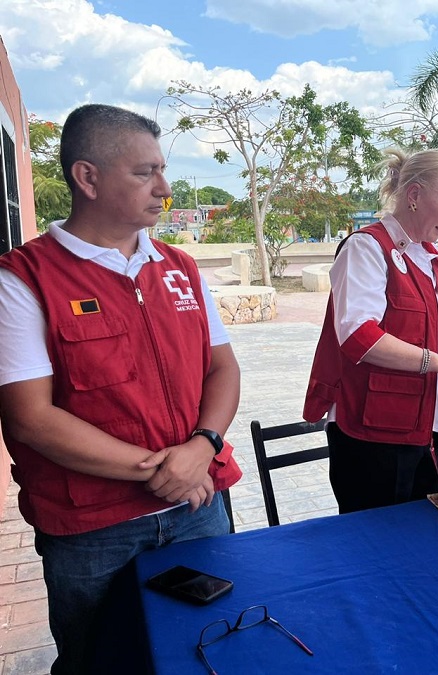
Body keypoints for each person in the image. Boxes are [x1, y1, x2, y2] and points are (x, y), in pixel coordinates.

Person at [0, 104, 242, 674]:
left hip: (198, 506)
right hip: (92, 527)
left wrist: (203, 446)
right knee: (99, 659)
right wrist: (163, 469)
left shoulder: (179, 267)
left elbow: (223, 369)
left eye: (162, 170)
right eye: (144, 173)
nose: (164, 188)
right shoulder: (25, 277)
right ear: (87, 178)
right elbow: (30, 418)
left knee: (210, 644)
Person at [303, 148, 438, 513]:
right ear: (415, 195)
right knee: (373, 549)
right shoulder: (367, 249)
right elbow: (358, 337)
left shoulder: (435, 262)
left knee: (422, 544)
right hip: (372, 434)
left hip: (425, 430)